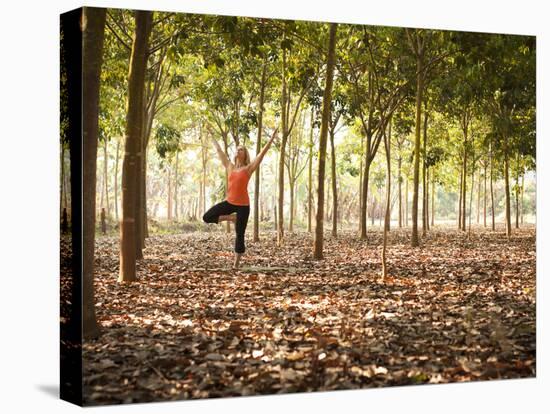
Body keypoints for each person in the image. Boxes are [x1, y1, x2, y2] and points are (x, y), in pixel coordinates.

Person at [203, 127, 279, 269]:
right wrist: (212, 136)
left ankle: (236, 264)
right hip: (229, 202)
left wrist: (272, 139)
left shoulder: (248, 168)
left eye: (241, 149)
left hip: (243, 205)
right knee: (207, 216)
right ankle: (231, 218)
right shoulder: (230, 167)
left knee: (240, 234)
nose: (238, 150)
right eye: (237, 149)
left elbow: (261, 155)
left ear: (245, 154)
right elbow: (219, 151)